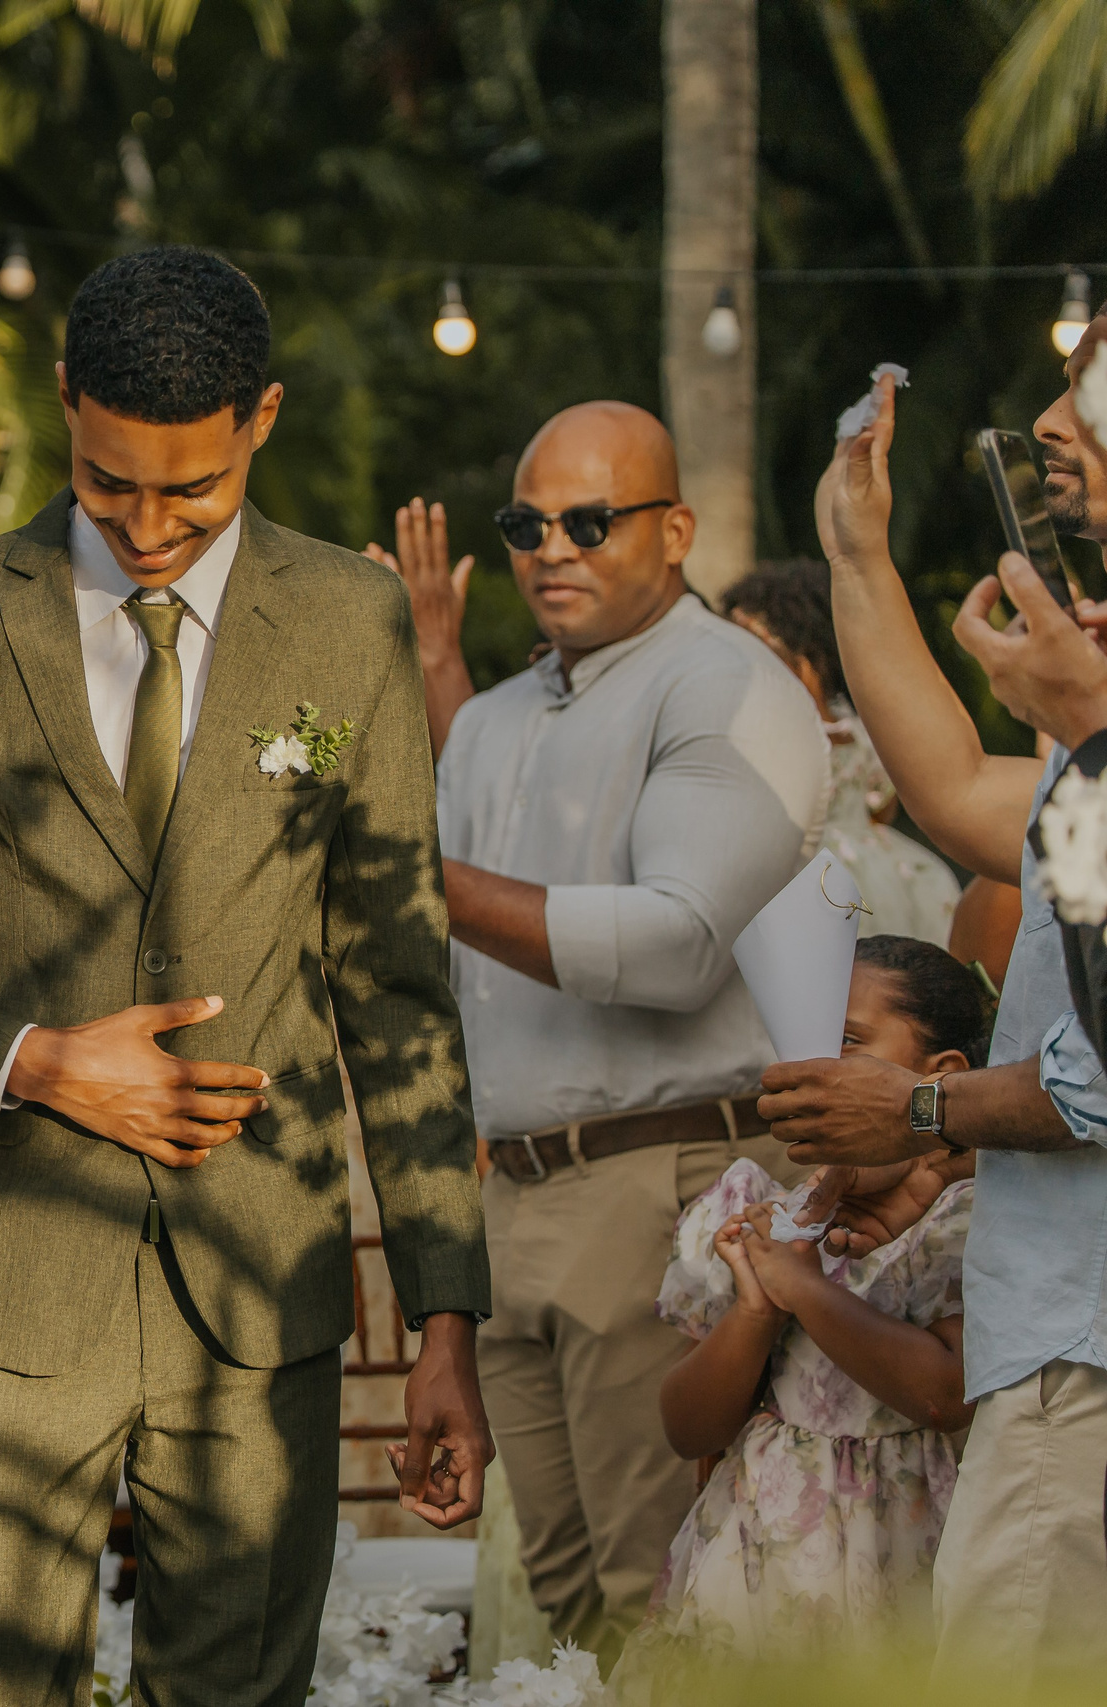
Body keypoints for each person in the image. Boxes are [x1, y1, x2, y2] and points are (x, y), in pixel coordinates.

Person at [0, 247, 492, 1707]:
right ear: (64, 400)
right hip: (10, 1283)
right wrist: (30, 1061)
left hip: (263, 1293)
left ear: (262, 420)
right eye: (105, 482)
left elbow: (396, 986)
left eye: (190, 491)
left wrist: (445, 1314)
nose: (146, 527)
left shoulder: (351, 620)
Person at [425, 401, 830, 1664]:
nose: (552, 547)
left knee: (662, 1592)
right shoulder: (489, 720)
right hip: (515, 1192)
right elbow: (446, 972)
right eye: (526, 523)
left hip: (661, 1172)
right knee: (566, 1603)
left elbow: (678, 945)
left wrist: (412, 876)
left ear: (677, 531)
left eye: (590, 521)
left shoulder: (728, 684)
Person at [757, 350, 1107, 1681]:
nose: (1053, 422)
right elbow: (958, 787)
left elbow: (1096, 1074)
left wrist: (913, 1106)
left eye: (1093, 398)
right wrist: (857, 555)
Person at [612, 936, 984, 1695]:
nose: (815, 1066)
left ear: (939, 1077)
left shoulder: (966, 1220)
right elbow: (688, 1430)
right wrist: (756, 1310)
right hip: (753, 1573)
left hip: (905, 1561)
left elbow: (945, 1395)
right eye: (803, 1042)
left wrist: (806, 1291)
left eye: (847, 1041)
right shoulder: (754, 1211)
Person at [721, 558, 959, 943]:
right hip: (882, 868)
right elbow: (881, 805)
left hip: (812, 872)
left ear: (798, 655)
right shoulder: (859, 727)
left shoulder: (772, 728)